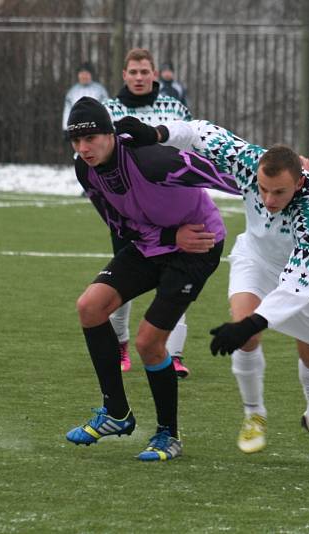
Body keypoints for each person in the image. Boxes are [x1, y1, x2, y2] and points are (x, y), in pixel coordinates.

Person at [115, 118, 309, 464]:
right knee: (245, 334)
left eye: (280, 192)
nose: (269, 200)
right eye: (263, 189)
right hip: (254, 259)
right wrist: (156, 134)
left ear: (300, 181)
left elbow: (302, 280)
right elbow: (200, 132)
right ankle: (254, 413)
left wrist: (254, 322)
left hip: (301, 281)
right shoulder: (248, 161)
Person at [64, 97, 240, 462]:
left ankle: (168, 435)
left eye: (92, 137)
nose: (84, 148)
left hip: (197, 244)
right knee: (90, 307)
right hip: (152, 242)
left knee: (148, 342)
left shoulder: (151, 160)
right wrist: (165, 238)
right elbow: (119, 225)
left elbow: (227, 177)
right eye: (76, 141)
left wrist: (283, 177)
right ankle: (116, 413)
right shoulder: (86, 169)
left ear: (110, 134)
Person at [103, 48, 193, 378]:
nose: (140, 77)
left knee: (176, 278)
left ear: (154, 74)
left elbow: (188, 150)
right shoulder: (109, 111)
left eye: (145, 72)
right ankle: (121, 344)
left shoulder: (175, 108)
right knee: (122, 282)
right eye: (134, 72)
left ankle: (174, 353)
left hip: (171, 208)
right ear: (124, 75)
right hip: (127, 210)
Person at [61, 62, 109, 139]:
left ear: (91, 75)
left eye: (86, 73)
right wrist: (66, 128)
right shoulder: (72, 92)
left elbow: (107, 108)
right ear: (78, 75)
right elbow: (67, 110)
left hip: (97, 128)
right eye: (81, 73)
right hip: (77, 129)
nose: (84, 76)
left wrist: (108, 125)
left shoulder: (100, 90)